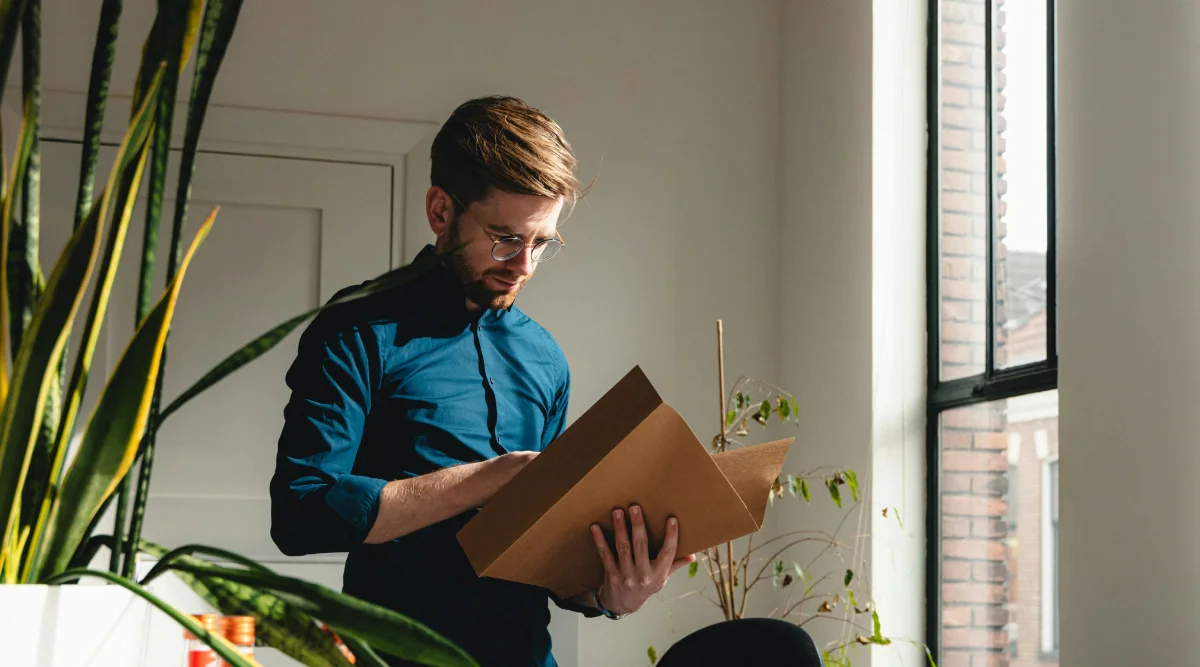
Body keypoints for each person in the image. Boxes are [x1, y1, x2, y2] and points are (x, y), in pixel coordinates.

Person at [269, 95, 696, 667]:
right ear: (441, 211)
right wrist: (488, 480)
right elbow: (301, 515)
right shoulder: (358, 329)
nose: (522, 264)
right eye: (505, 238)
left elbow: (545, 560)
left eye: (541, 244)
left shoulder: (546, 358)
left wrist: (609, 593)